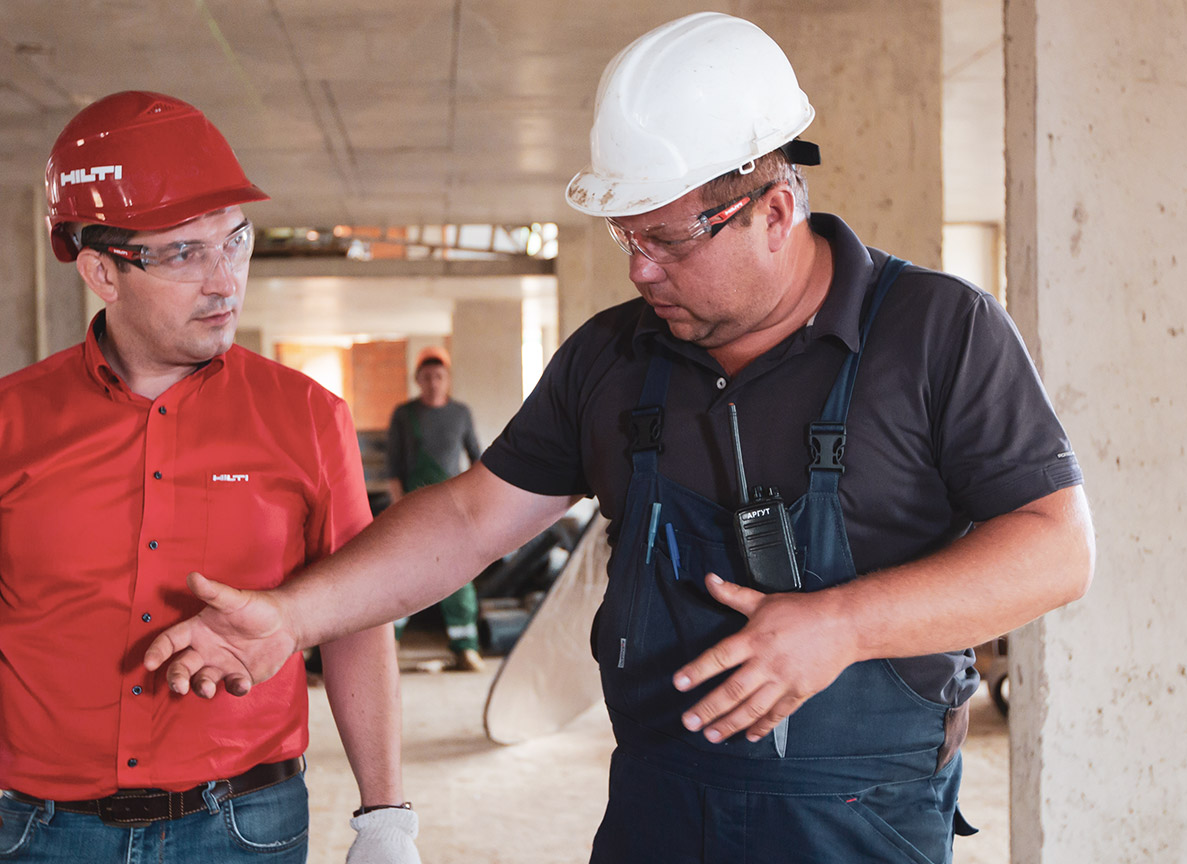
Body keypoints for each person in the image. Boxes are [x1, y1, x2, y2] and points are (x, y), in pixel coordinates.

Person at [143, 13, 1095, 864]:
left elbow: (1056, 547)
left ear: (774, 209)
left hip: (859, 817)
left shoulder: (937, 331)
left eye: (670, 242)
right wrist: (296, 618)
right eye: (624, 237)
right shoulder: (612, 357)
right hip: (655, 806)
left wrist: (845, 624)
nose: (641, 269)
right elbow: (473, 520)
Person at [0, 91, 420, 864]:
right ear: (101, 270)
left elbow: (359, 617)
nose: (224, 281)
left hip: (245, 827)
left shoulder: (307, 417)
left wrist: (385, 816)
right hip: (48, 833)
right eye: (182, 253)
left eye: (234, 241)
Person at [384, 347, 484, 671]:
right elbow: (393, 468)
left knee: (459, 576)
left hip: (452, 508)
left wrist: (475, 503)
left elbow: (478, 460)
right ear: (418, 380)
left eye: (438, 376)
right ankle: (388, 647)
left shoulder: (461, 414)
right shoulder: (404, 414)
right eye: (426, 377)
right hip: (413, 506)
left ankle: (465, 647)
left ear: (447, 379)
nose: (433, 382)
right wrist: (398, 509)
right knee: (403, 575)